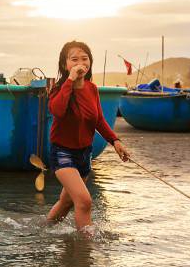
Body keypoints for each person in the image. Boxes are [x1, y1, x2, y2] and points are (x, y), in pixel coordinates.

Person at [46, 41, 130, 235]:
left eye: (85, 59)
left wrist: (115, 141)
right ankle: (85, 247)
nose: (80, 63)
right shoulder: (58, 89)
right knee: (84, 201)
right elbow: (57, 111)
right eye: (74, 59)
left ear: (90, 62)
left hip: (84, 154)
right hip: (62, 153)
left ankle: (43, 231)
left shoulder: (92, 88)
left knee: (66, 202)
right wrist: (70, 80)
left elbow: (98, 119)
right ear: (65, 65)